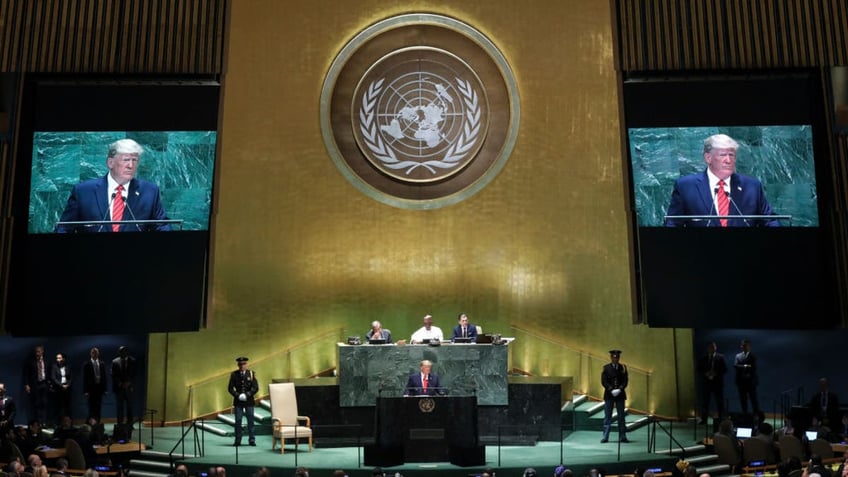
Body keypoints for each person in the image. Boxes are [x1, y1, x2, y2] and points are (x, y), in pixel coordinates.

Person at [56, 138, 171, 233]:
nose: (130, 165)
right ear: (110, 163)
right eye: (126, 160)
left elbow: (162, 226)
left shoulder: (149, 191)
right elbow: (64, 228)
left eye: (134, 160)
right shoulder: (83, 191)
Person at [665, 134, 780, 227]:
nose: (728, 160)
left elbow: (770, 221)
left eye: (731, 155)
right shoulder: (686, 186)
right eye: (723, 155)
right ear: (708, 158)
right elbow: (673, 223)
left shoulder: (752, 186)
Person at [227, 356, 258, 446]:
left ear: (246, 364)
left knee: (250, 421)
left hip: (249, 401)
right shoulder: (234, 375)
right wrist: (238, 395)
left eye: (244, 364)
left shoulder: (251, 374)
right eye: (240, 364)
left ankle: (252, 439)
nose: (242, 366)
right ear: (238, 365)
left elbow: (256, 387)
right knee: (238, 421)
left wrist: (247, 394)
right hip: (238, 401)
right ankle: (238, 440)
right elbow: (230, 388)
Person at [601, 349, 629, 443]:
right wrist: (611, 389)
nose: (616, 359)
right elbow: (604, 381)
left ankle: (622, 436)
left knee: (621, 416)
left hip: (620, 395)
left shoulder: (623, 367)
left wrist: (620, 389)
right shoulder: (606, 368)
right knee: (607, 416)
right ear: (611, 357)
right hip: (609, 395)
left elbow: (625, 381)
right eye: (614, 357)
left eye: (617, 357)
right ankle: (605, 436)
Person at [697, 342, 727, 424]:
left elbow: (724, 369)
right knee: (705, 402)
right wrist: (705, 373)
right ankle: (704, 420)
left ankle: (721, 419)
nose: (712, 348)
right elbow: (699, 369)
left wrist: (715, 373)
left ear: (715, 348)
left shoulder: (721, 357)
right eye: (710, 347)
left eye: (713, 347)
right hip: (707, 383)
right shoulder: (704, 358)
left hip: (717, 383)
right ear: (708, 348)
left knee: (720, 402)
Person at [23, 345, 50, 426]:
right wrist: (27, 384)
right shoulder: (30, 361)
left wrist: (50, 383)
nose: (37, 353)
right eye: (36, 352)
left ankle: (44, 421)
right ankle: (38, 422)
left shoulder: (47, 360)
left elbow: (49, 372)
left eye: (38, 351)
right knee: (37, 403)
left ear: (42, 351)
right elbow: (26, 374)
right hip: (35, 384)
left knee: (44, 403)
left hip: (44, 384)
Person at [111, 345, 137, 426]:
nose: (122, 353)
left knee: (130, 407)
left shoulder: (133, 361)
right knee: (120, 407)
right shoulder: (114, 362)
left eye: (123, 351)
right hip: (119, 388)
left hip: (129, 388)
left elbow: (135, 374)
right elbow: (113, 375)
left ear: (127, 352)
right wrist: (120, 383)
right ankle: (120, 424)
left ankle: (130, 424)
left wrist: (129, 383)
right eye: (120, 351)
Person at [734, 339, 761, 417]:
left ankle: (756, 416)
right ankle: (744, 416)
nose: (744, 347)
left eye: (745, 345)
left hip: (751, 382)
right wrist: (746, 366)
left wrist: (742, 367)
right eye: (743, 345)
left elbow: (753, 368)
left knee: (754, 400)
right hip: (741, 382)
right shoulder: (738, 356)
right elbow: (736, 366)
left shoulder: (753, 356)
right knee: (743, 400)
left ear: (749, 347)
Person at [82, 347, 107, 422]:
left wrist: (105, 389)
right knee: (91, 408)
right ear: (91, 354)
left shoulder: (102, 363)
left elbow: (104, 377)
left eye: (96, 352)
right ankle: (91, 424)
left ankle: (98, 424)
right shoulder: (86, 364)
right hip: (90, 389)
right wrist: (85, 391)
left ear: (98, 354)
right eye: (93, 352)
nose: (95, 354)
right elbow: (84, 378)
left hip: (99, 389)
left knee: (98, 408)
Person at [50, 353, 73, 423]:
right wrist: (61, 385)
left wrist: (67, 385)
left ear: (63, 359)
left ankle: (69, 422)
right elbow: (53, 378)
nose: (58, 360)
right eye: (57, 358)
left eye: (59, 358)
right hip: (58, 389)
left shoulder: (68, 366)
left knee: (67, 407)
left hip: (67, 389)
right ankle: (57, 423)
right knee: (58, 407)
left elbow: (71, 377)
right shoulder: (54, 367)